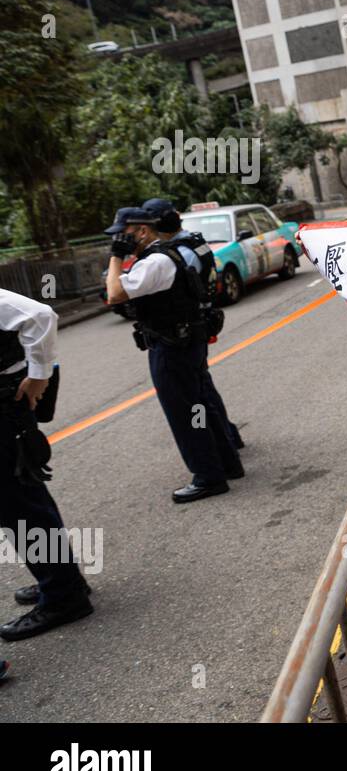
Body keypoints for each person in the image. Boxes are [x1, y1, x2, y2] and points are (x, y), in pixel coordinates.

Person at [104, 207, 244, 504]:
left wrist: (116, 256)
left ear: (142, 231)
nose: (118, 239)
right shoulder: (168, 255)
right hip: (185, 342)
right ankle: (227, 463)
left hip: (171, 348)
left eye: (123, 233)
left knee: (185, 413)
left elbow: (114, 294)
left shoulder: (155, 262)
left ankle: (208, 476)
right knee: (201, 404)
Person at [0, 288, 94, 641]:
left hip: (5, 408)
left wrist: (39, 374)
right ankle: (61, 580)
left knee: (20, 507)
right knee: (25, 504)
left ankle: (63, 596)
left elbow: (40, 315)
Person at [141, 198, 244, 453]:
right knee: (204, 386)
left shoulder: (176, 253)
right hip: (202, 320)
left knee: (198, 393)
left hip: (188, 329)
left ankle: (221, 445)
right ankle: (229, 436)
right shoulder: (194, 242)